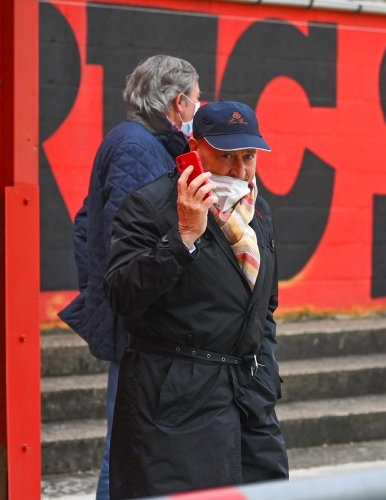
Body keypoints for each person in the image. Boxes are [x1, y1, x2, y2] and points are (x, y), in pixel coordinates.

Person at [103, 101, 288, 498]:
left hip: (249, 402)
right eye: (225, 157)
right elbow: (121, 295)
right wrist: (184, 236)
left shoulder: (257, 210)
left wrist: (266, 377)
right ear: (194, 147)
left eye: (249, 157)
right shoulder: (149, 206)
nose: (240, 171)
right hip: (175, 405)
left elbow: (264, 307)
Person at [58, 55, 201, 500]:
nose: (201, 106)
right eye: (197, 98)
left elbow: (86, 225)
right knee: (123, 452)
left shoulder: (139, 142)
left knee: (133, 447)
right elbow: (132, 240)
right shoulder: (137, 147)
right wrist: (112, 298)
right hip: (139, 320)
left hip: (135, 315)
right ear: (179, 103)